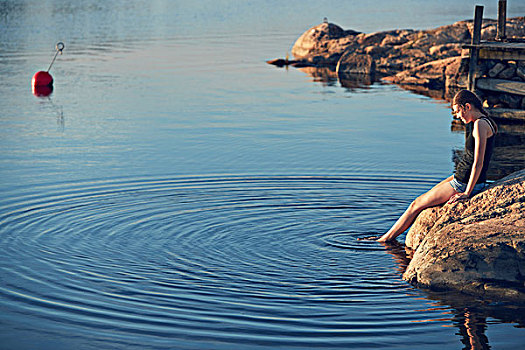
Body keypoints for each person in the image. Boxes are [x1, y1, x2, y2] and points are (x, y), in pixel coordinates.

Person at [376, 89, 497, 243]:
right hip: (460, 176)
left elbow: (478, 163)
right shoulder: (485, 121)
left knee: (416, 204)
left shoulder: (479, 124)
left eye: (458, 112)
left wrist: (467, 192)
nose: (458, 117)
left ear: (467, 106)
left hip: (463, 183)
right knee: (429, 194)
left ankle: (385, 239)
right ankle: (386, 237)